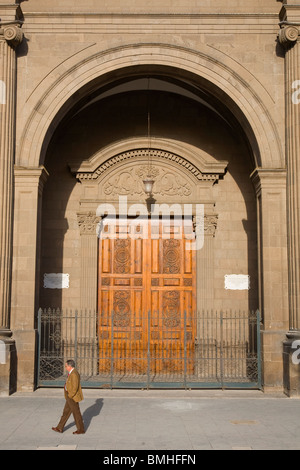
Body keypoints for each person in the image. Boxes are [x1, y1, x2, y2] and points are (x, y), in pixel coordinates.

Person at [52, 360, 85, 434]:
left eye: (66, 366)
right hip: (69, 396)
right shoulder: (71, 373)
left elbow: (75, 387)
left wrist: (70, 395)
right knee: (66, 412)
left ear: (70, 366)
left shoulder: (74, 374)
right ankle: (59, 428)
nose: (65, 367)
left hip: (72, 397)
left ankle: (81, 429)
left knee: (76, 413)